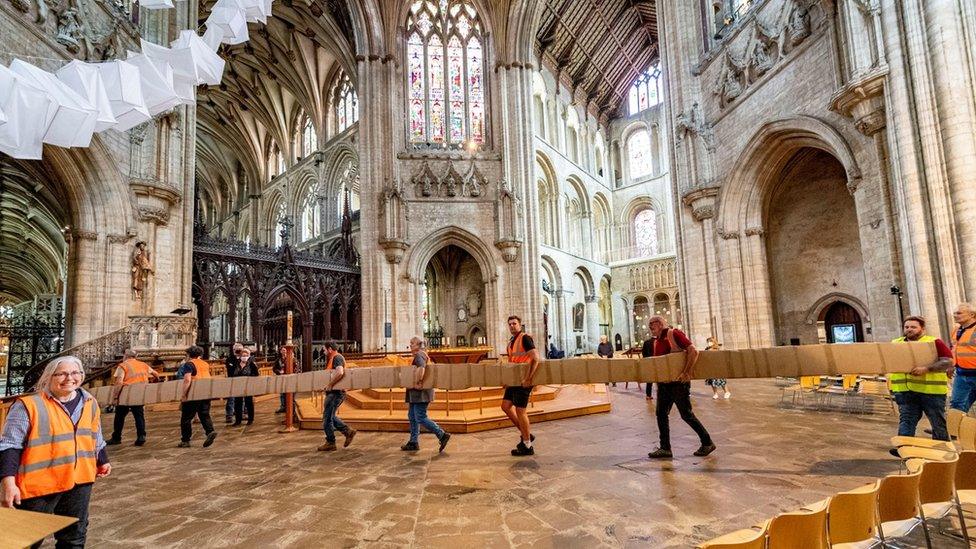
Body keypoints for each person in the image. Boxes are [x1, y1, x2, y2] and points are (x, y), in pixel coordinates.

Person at [0, 356, 111, 548]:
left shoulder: (89, 402)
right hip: (40, 484)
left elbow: (95, 435)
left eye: (75, 373)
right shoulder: (28, 405)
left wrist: (102, 459)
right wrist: (8, 483)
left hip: (79, 481)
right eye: (62, 374)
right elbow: (10, 445)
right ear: (49, 377)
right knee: (25, 540)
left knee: (74, 537)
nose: (70, 378)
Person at [643, 315, 716, 459]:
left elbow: (693, 351)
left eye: (653, 323)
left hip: (678, 383)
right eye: (650, 324)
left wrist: (687, 372)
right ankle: (665, 448)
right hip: (664, 384)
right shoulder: (657, 341)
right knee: (661, 414)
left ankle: (707, 442)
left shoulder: (673, 333)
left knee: (686, 414)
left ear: (661, 323)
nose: (651, 326)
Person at [888, 316, 954, 456]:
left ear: (922, 328)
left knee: (937, 421)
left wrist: (926, 369)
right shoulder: (896, 343)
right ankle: (904, 447)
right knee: (907, 419)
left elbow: (947, 362)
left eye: (913, 327)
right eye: (907, 327)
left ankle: (942, 450)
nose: (909, 329)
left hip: (930, 391)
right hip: (905, 390)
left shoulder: (934, 342)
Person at [401, 337, 451, 453]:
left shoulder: (420, 355)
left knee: (420, 416)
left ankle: (442, 434)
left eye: (412, 344)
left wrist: (418, 381)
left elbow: (421, 369)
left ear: (418, 345)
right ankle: (413, 442)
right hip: (415, 393)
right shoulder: (420, 355)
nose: (410, 346)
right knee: (412, 416)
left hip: (421, 393)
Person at [502, 315, 540, 456]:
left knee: (520, 411)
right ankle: (527, 434)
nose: (512, 326)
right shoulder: (511, 342)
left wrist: (529, 379)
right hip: (514, 380)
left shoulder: (525, 338)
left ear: (520, 325)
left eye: (514, 323)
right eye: (510, 324)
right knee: (505, 406)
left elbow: (535, 358)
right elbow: (512, 363)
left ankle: (527, 445)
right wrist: (507, 380)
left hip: (524, 380)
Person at [107, 349, 158, 446]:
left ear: (126, 356)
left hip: (126, 393)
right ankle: (141, 436)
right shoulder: (143, 364)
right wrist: (153, 382)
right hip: (139, 392)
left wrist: (115, 397)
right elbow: (156, 373)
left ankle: (116, 438)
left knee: (119, 417)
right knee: (139, 416)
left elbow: (119, 382)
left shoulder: (123, 365)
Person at [317, 341, 357, 451]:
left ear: (330, 349)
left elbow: (340, 372)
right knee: (330, 416)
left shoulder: (337, 357)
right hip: (334, 392)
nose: (323, 352)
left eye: (324, 350)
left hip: (336, 393)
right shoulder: (333, 358)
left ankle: (331, 442)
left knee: (327, 418)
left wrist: (330, 385)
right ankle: (348, 431)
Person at [177, 346, 218, 448]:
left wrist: (184, 394)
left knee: (186, 418)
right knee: (204, 414)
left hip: (194, 393)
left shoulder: (189, 364)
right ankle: (210, 431)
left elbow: (187, 380)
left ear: (189, 355)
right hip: (205, 392)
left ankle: (185, 440)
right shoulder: (205, 363)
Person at [949, 303, 976, 413]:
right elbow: (954, 349)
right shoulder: (956, 330)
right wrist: (951, 365)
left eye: (959, 313)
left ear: (972, 314)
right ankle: (953, 429)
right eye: (954, 313)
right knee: (957, 404)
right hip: (962, 374)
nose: (955, 315)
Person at [231, 347, 259, 426]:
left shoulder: (251, 364)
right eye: (243, 355)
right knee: (238, 403)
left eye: (246, 355)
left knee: (249, 402)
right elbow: (233, 373)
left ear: (249, 356)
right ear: (240, 356)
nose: (244, 356)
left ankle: (250, 419)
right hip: (238, 385)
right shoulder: (236, 363)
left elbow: (256, 374)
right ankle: (238, 420)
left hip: (248, 385)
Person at [224, 343, 244, 423]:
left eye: (240, 350)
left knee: (241, 398)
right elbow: (232, 369)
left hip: (241, 380)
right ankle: (229, 415)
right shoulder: (230, 359)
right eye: (237, 350)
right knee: (231, 399)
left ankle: (240, 413)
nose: (239, 351)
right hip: (232, 380)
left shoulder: (243, 358)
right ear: (233, 350)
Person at [273, 347, 287, 414]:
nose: (284, 351)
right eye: (283, 350)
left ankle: (289, 407)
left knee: (289, 394)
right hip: (281, 378)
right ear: (280, 351)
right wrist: (278, 372)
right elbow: (274, 369)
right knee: (282, 394)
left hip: (289, 378)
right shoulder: (278, 360)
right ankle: (282, 407)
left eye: (285, 350)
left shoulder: (291, 359)